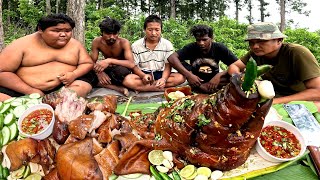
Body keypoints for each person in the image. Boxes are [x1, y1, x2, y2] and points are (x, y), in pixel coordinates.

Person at [0, 13, 94, 101]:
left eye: (67, 31)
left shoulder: (75, 45)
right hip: (23, 89)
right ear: (41, 30)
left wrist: (74, 74)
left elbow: (87, 63)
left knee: (83, 85)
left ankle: (59, 103)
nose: (63, 34)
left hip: (65, 87)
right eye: (56, 31)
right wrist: (30, 90)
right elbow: (2, 71)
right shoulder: (21, 44)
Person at [228, 22, 320, 108]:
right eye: (251, 42)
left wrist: (275, 102)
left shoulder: (296, 53)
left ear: (279, 40)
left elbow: (317, 92)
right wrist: (241, 80)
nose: (255, 46)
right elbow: (234, 66)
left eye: (261, 41)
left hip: (298, 99)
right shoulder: (256, 53)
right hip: (273, 95)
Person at [167, 25, 239, 93]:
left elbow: (238, 65)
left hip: (215, 81)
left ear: (211, 38)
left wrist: (219, 75)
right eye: (198, 40)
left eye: (205, 40)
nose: (201, 43)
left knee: (233, 77)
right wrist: (189, 75)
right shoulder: (192, 47)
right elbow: (172, 58)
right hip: (196, 82)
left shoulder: (219, 48)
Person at [122, 15, 185, 92]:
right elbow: (134, 66)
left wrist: (164, 79)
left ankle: (144, 88)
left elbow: (168, 65)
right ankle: (161, 88)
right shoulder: (136, 45)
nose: (154, 33)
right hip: (144, 74)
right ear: (144, 30)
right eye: (150, 30)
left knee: (180, 77)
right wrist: (143, 75)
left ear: (161, 30)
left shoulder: (167, 44)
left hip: (161, 73)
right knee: (127, 80)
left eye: (157, 30)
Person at [91, 17, 135, 96]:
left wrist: (109, 60)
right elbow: (91, 62)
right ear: (102, 33)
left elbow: (131, 64)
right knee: (87, 73)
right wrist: (99, 72)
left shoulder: (124, 42)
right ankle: (117, 88)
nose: (112, 37)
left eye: (115, 34)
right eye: (108, 34)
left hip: (119, 71)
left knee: (121, 72)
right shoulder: (97, 42)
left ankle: (106, 84)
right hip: (107, 70)